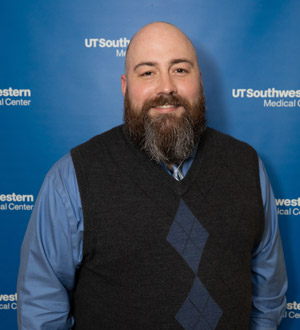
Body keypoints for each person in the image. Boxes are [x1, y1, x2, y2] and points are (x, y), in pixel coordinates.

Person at [17, 22, 287, 330]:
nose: (166, 87)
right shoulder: (72, 179)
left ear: (200, 79)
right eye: (147, 72)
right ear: (125, 86)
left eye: (180, 70)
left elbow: (268, 293)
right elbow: (41, 306)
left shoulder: (247, 166)